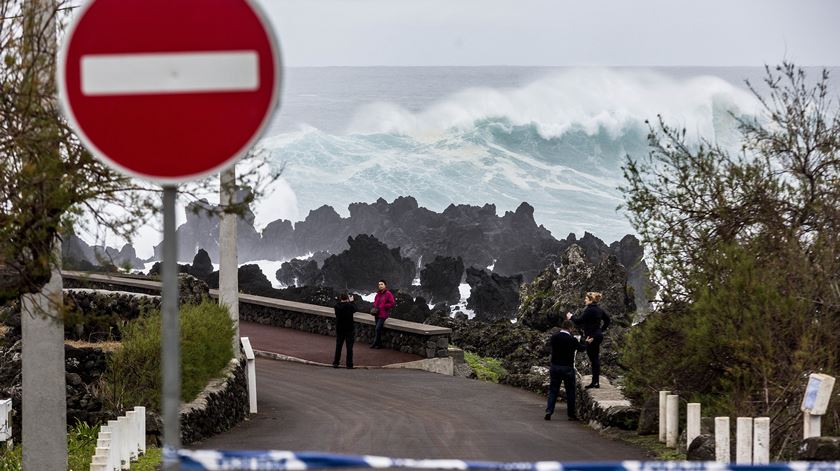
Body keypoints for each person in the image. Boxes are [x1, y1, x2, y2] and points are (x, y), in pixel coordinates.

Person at [545, 319, 592, 421]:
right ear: (570, 328)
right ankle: (571, 414)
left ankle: (549, 410)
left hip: (555, 367)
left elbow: (549, 349)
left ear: (562, 327)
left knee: (553, 390)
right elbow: (582, 348)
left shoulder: (554, 337)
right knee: (570, 391)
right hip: (567, 368)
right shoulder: (572, 339)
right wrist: (587, 342)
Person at [567, 291, 611, 389]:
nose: (585, 300)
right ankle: (596, 381)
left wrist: (571, 317)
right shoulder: (599, 309)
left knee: (593, 358)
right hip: (598, 335)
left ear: (591, 300)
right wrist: (600, 330)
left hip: (591, 337)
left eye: (586, 299)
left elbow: (579, 321)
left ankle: (595, 382)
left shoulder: (589, 310)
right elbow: (607, 320)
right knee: (595, 357)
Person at [333, 293, 357, 369]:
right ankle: (349, 364)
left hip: (340, 329)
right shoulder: (350, 306)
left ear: (341, 298)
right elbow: (355, 309)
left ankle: (336, 363)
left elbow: (338, 304)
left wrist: (343, 300)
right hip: (349, 329)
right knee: (349, 348)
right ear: (347, 298)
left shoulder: (337, 306)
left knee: (338, 346)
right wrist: (351, 301)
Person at [370, 279, 395, 349]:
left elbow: (392, 303)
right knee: (378, 329)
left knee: (377, 329)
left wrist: (384, 306)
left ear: (385, 285)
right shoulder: (378, 294)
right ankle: (379, 344)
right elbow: (375, 301)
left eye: (382, 284)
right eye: (379, 284)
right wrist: (375, 305)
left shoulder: (388, 294)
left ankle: (375, 343)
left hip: (383, 314)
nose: (380, 286)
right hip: (376, 313)